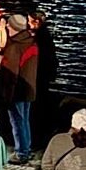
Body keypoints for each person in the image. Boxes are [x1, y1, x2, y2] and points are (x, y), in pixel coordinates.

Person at [1, 13, 40, 164]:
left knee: (17, 122)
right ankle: (27, 148)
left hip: (16, 91)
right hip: (29, 89)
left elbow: (11, 76)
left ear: (15, 28)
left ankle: (21, 153)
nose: (7, 27)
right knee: (25, 120)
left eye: (9, 25)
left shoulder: (14, 47)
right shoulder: (32, 43)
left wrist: (7, 96)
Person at [30, 11, 59, 146]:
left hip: (39, 75)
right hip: (44, 75)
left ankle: (37, 137)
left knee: (37, 105)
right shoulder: (46, 36)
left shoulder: (40, 38)